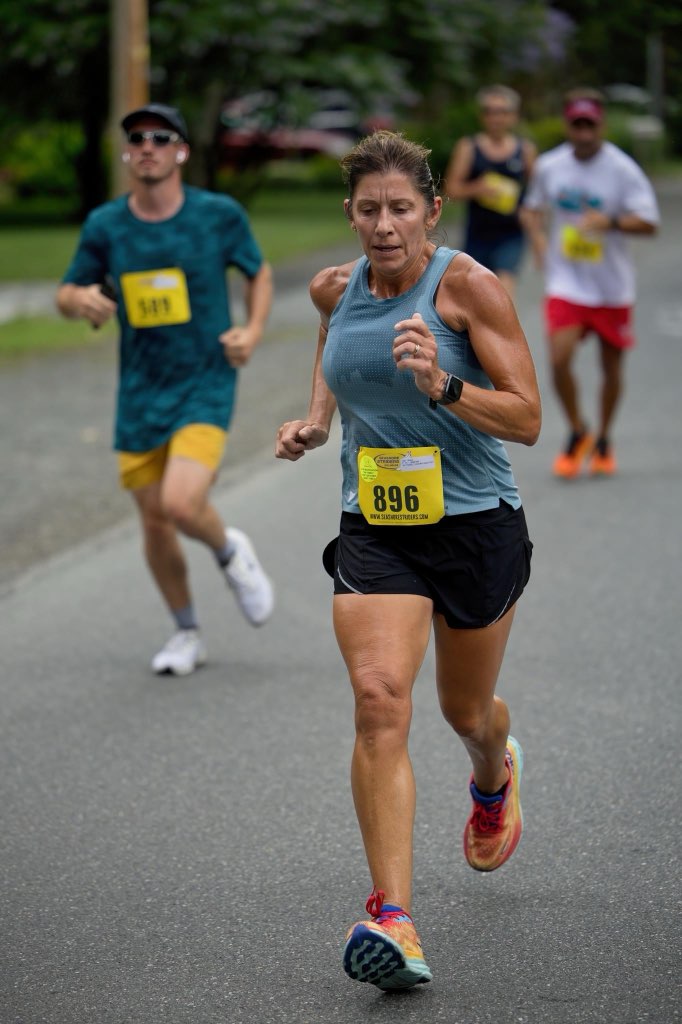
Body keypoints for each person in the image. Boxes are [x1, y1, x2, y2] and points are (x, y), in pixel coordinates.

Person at [275, 131, 541, 990]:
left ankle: (494, 774)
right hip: (377, 526)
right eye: (368, 210)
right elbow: (332, 337)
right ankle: (394, 918)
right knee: (379, 700)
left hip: (475, 525)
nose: (384, 225)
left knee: (466, 712)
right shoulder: (334, 286)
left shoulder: (467, 287)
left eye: (400, 209)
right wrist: (318, 420)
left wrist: (444, 386)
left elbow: (527, 418)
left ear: (432, 210)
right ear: (350, 215)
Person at [57, 103, 275, 676]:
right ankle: (186, 632)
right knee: (154, 521)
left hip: (205, 380)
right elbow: (67, 291)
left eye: (160, 137)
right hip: (139, 390)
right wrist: (80, 299)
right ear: (126, 153)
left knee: (180, 504)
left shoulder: (217, 215)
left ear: (181, 150)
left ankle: (229, 550)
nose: (147, 146)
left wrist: (252, 330)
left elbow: (258, 271)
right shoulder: (106, 225)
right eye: (136, 138)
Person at [519, 88, 659, 478]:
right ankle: (578, 430)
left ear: (601, 125)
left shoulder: (622, 169)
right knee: (558, 358)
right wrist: (538, 240)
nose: (583, 133)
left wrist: (609, 222)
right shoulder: (550, 165)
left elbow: (650, 222)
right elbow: (531, 208)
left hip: (612, 286)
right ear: (568, 125)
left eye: (590, 125)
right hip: (566, 282)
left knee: (610, 368)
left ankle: (605, 437)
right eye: (577, 125)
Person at [444, 85, 537, 300]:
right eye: (490, 112)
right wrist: (476, 188)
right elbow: (451, 190)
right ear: (482, 116)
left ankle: (504, 323)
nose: (496, 118)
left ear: (513, 116)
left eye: (502, 112)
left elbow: (538, 192)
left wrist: (531, 219)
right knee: (475, 296)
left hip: (511, 234)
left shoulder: (525, 150)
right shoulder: (468, 147)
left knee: (502, 292)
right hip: (477, 234)